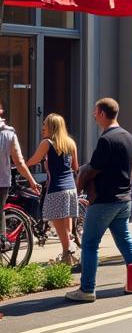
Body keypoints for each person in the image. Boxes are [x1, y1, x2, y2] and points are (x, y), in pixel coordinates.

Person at [66, 98, 132, 303]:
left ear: (101, 113)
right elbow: (130, 167)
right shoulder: (129, 137)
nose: (93, 115)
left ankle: (87, 289)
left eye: (95, 111)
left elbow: (95, 168)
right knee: (125, 240)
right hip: (124, 198)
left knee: (89, 244)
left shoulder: (106, 140)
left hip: (104, 199)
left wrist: (81, 177)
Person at [24, 113, 80, 266]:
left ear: (52, 127)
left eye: (45, 125)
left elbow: (34, 160)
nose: (42, 128)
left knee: (59, 227)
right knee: (67, 229)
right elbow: (75, 167)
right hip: (71, 189)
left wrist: (21, 165)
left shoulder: (47, 143)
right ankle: (69, 256)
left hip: (56, 189)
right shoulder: (70, 143)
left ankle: (67, 256)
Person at [0, 101, 41, 252]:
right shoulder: (8, 134)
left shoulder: (8, 133)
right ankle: (2, 239)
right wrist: (32, 181)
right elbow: (19, 162)